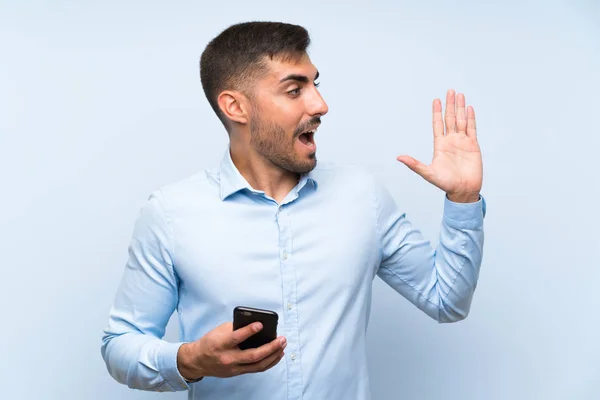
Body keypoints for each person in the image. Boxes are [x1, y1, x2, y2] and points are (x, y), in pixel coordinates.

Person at [101, 21, 486, 400]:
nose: (320, 104)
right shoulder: (171, 214)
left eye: (315, 83)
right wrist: (190, 359)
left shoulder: (362, 197)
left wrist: (464, 199)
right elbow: (120, 345)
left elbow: (446, 300)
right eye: (294, 89)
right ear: (235, 106)